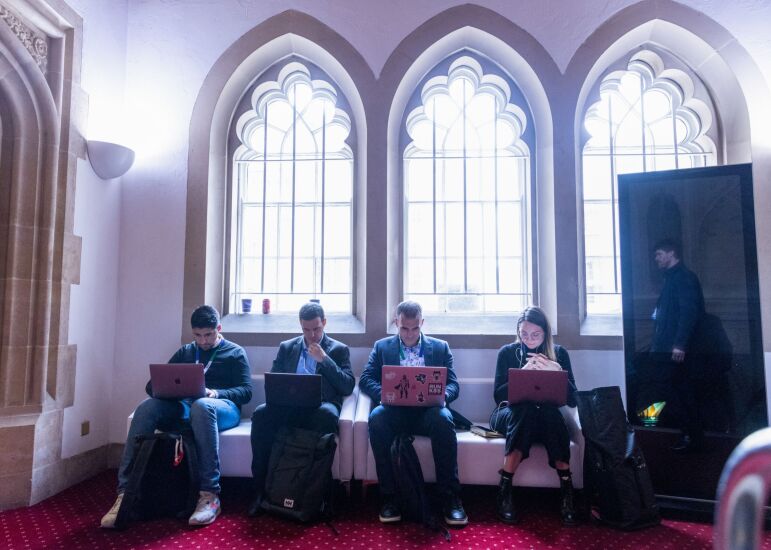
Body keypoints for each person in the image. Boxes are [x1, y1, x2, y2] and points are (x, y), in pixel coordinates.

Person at [101, 305, 252, 528]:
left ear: (218, 328)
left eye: (208, 335)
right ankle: (126, 493)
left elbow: (246, 392)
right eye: (198, 335)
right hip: (186, 405)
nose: (203, 341)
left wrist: (215, 393)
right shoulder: (186, 352)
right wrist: (164, 388)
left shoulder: (235, 352)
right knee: (146, 408)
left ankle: (210, 495)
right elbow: (152, 386)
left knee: (202, 405)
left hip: (223, 408)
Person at [359, 300, 467, 526]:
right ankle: (390, 498)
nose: (409, 334)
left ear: (422, 323)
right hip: (394, 411)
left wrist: (444, 397)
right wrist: (384, 393)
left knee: (444, 419)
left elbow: (454, 385)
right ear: (396, 322)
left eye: (415, 328)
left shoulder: (440, 347)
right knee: (376, 418)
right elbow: (366, 379)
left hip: (427, 413)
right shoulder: (382, 347)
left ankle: (450, 498)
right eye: (404, 328)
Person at [247, 302, 354, 516]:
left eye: (316, 329)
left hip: (320, 407)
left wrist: (324, 360)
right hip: (289, 406)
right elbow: (274, 379)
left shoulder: (339, 350)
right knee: (260, 414)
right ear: (301, 326)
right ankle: (260, 491)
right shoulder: (287, 347)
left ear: (324, 323)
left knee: (328, 415)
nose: (312, 334)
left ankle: (318, 494)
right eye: (306, 329)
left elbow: (347, 385)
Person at [490, 306, 578, 526]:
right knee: (526, 410)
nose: (529, 339)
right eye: (524, 334)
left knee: (548, 413)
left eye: (535, 334)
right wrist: (525, 373)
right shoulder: (507, 352)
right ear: (518, 331)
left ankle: (567, 491)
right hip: (507, 413)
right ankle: (505, 489)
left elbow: (573, 399)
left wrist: (557, 371)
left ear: (545, 333)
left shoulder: (560, 353)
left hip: (544, 415)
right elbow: (498, 396)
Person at [631, 238, 705, 452]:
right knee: (676, 392)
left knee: (679, 392)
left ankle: (691, 436)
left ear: (671, 253)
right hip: (665, 348)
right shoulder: (673, 279)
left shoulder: (683, 278)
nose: (656, 259)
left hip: (673, 350)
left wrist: (679, 344)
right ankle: (688, 435)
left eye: (659, 255)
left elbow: (688, 313)